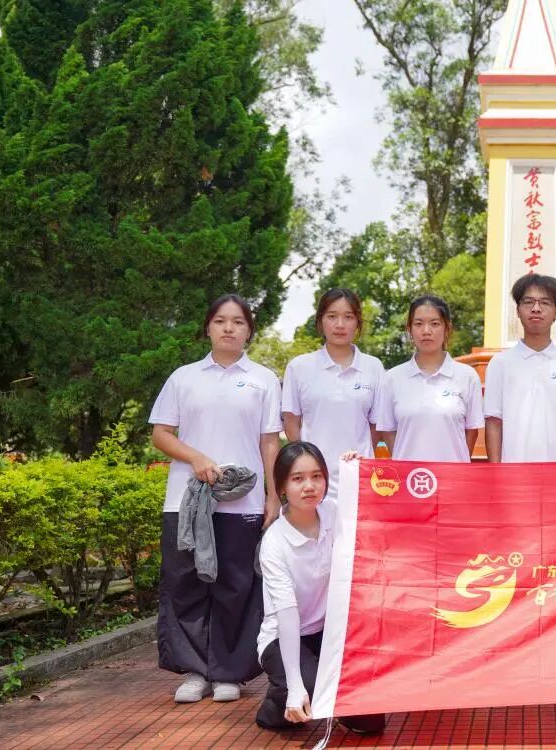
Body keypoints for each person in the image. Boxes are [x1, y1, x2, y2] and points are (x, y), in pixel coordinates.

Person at [150, 294, 282, 704]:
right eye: (221, 320)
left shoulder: (264, 379)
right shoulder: (184, 377)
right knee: (185, 583)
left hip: (242, 504)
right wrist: (196, 458)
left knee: (236, 585)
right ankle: (194, 671)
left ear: (249, 330)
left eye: (238, 321)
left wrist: (273, 496)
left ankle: (230, 673)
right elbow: (161, 434)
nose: (229, 328)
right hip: (185, 503)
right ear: (208, 327)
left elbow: (269, 442)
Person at [255, 442, 385, 734]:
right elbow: (287, 617)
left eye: (317, 476)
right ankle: (278, 700)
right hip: (284, 637)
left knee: (371, 720)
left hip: (329, 632)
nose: (309, 486)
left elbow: (371, 507)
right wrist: (295, 686)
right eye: (297, 478)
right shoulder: (275, 543)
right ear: (282, 486)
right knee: (312, 692)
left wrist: (357, 471)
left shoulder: (333, 513)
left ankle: (325, 698)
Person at [282, 288, 386, 477]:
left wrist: (363, 461)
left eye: (348, 317)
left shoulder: (374, 367)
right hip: (314, 478)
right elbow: (291, 424)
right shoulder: (299, 367)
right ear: (320, 321)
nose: (340, 324)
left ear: (357, 322)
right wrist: (306, 463)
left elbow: (376, 427)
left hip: (360, 475)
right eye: (332, 316)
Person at [484, 273, 556, 462]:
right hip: (514, 472)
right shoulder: (500, 363)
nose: (536, 309)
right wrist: (496, 472)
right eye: (528, 302)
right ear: (518, 310)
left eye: (545, 303)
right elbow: (494, 422)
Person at [375, 295, 483, 461]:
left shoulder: (467, 376)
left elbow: (472, 431)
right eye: (418, 324)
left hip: (452, 474)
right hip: (409, 475)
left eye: (434, 323)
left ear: (447, 328)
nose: (426, 331)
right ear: (409, 329)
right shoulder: (392, 378)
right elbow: (388, 430)